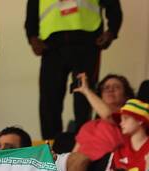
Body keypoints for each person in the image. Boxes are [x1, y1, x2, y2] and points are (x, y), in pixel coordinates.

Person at [25, 0, 122, 138]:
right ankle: (50, 146)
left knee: (84, 98)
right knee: (49, 100)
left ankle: (84, 143)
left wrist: (112, 31)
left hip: (87, 43)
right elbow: (32, 8)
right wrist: (32, 37)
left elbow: (113, 5)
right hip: (51, 46)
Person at [106, 98, 149, 171]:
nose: (121, 123)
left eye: (125, 118)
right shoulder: (118, 149)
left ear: (140, 120)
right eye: (121, 119)